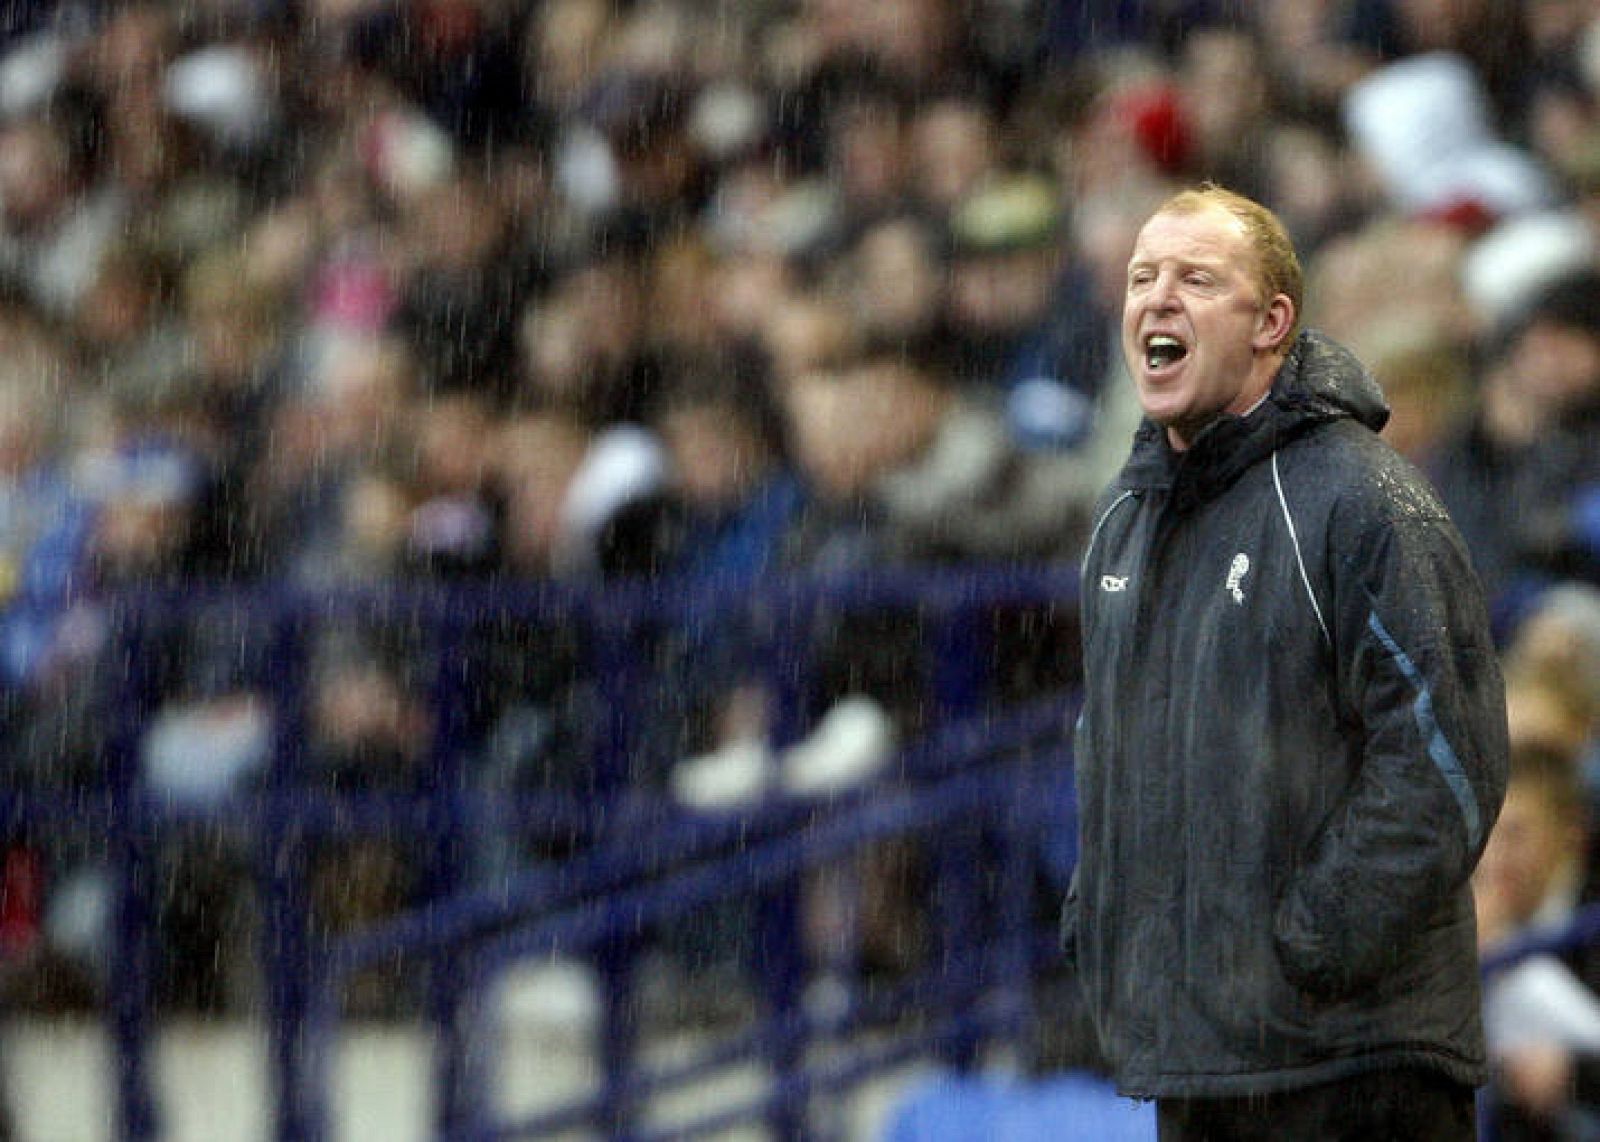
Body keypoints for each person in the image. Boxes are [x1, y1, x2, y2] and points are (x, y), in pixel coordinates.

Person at [1063, 183, 1509, 1140]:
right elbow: (1112, 752)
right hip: (1203, 1064)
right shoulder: (1121, 525)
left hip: (1355, 1065)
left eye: (1196, 278)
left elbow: (1446, 765)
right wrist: (1099, 921)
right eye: (1143, 277)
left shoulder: (1363, 500)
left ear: (1273, 322)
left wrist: (1307, 943)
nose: (1158, 298)